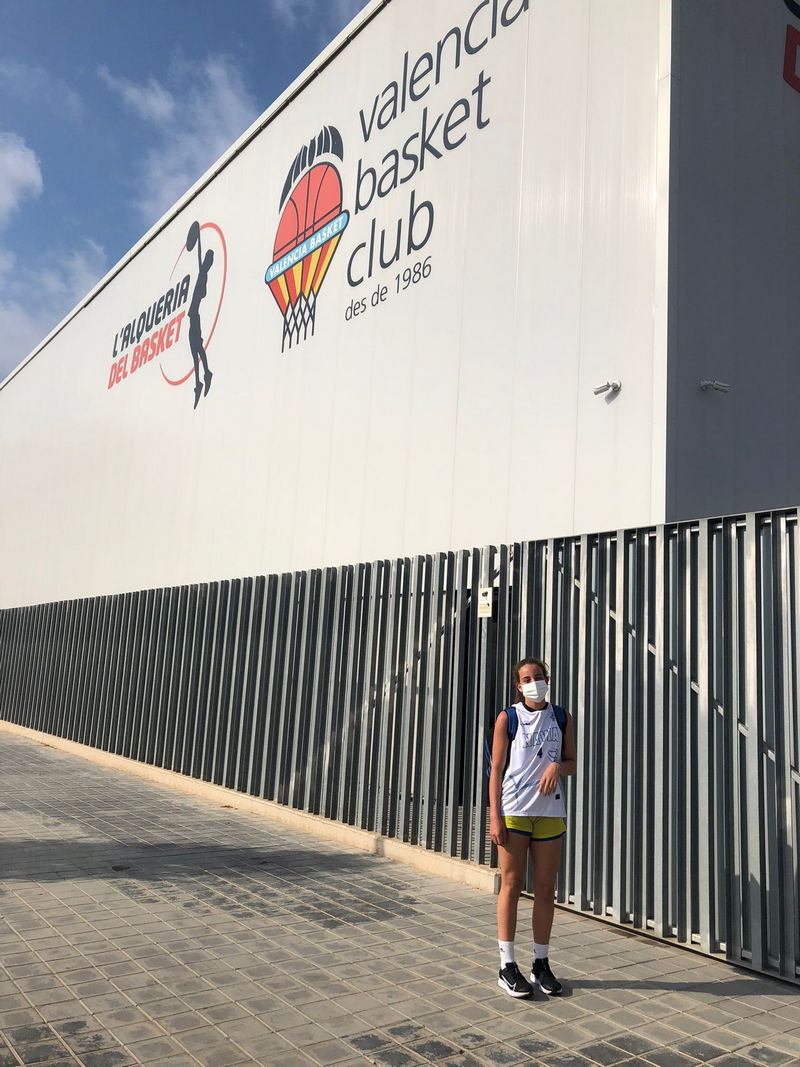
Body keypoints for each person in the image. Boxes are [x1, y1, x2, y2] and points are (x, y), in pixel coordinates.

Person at [489, 657, 577, 998]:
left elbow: (572, 762)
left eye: (538, 676)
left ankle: (541, 963)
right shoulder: (508, 718)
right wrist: (495, 816)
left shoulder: (561, 716)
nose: (533, 682)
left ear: (547, 680)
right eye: (526, 679)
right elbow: (496, 770)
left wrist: (557, 767)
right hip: (514, 811)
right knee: (511, 886)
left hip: (549, 812)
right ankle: (506, 965)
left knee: (545, 888)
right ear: (518, 685)